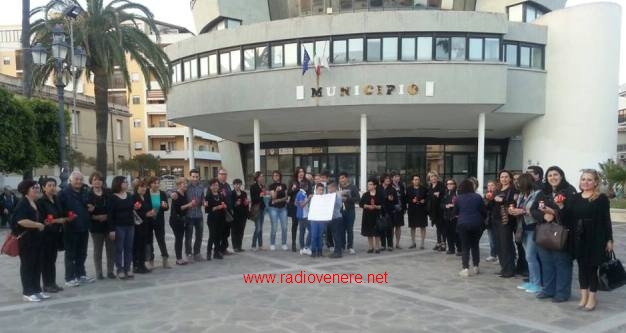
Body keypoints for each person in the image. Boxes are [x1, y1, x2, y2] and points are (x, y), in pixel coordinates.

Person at [568, 169, 613, 311]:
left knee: (592, 268)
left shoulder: (601, 199)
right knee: (581, 267)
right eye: (583, 179)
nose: (585, 182)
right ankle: (584, 296)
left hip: (596, 237)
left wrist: (609, 240)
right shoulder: (575, 197)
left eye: (589, 179)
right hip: (579, 236)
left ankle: (592, 298)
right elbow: (569, 217)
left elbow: (606, 220)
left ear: (595, 182)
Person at [532, 166, 577, 303]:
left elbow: (572, 213)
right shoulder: (542, 192)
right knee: (547, 263)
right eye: (550, 175)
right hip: (544, 234)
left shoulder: (570, 191)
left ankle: (562, 293)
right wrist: (543, 215)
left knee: (562, 263)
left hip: (562, 235)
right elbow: (533, 209)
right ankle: (548, 290)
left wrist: (554, 213)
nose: (553, 177)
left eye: (555, 174)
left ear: (561, 176)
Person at [58, 171, 95, 287]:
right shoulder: (63, 193)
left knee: (82, 253)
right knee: (70, 254)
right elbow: (60, 210)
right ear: (71, 180)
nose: (79, 181)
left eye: (80, 179)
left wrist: (91, 207)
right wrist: (66, 217)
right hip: (71, 228)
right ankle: (69, 277)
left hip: (84, 226)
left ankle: (81, 274)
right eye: (76, 179)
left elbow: (89, 204)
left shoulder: (85, 192)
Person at [14, 180, 48, 302]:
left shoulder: (35, 203)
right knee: (28, 266)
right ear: (26, 190)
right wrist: (37, 224)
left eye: (37, 187)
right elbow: (20, 220)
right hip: (26, 240)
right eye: (34, 188)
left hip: (37, 239)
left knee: (37, 265)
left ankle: (37, 290)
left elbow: (40, 219)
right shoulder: (22, 203)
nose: (37, 189)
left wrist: (43, 223)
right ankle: (28, 292)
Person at [509, 174, 543, 294]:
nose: (517, 184)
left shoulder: (537, 194)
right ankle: (532, 280)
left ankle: (537, 283)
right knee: (528, 257)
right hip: (522, 228)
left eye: (519, 182)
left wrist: (522, 211)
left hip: (533, 228)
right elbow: (519, 208)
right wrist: (513, 211)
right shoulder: (522, 195)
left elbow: (537, 210)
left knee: (530, 256)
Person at [37, 178, 67, 292]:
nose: (52, 187)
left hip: (56, 234)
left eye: (54, 185)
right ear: (44, 188)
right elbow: (42, 220)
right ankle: (46, 284)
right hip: (46, 235)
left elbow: (62, 213)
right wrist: (57, 221)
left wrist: (66, 217)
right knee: (46, 260)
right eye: (49, 185)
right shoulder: (41, 202)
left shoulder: (56, 199)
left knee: (52, 260)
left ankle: (52, 283)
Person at [454, 179, 487, 277]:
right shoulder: (478, 197)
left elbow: (455, 212)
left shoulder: (458, 198)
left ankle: (465, 268)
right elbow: (483, 211)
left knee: (465, 246)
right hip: (477, 224)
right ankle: (476, 266)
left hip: (463, 224)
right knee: (475, 245)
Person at [490, 170, 519, 278]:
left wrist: (501, 200)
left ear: (510, 178)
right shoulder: (497, 189)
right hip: (496, 219)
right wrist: (490, 199)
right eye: (502, 177)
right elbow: (492, 202)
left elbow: (513, 203)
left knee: (506, 244)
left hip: (506, 220)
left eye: (506, 177)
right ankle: (504, 268)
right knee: (499, 245)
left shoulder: (513, 190)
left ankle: (509, 269)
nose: (504, 179)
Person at [87, 172, 115, 280]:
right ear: (91, 182)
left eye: (99, 179)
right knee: (97, 250)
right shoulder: (88, 195)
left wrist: (107, 216)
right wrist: (95, 217)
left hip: (109, 226)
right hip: (96, 227)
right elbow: (86, 212)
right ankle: (99, 272)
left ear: (102, 182)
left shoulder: (108, 193)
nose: (97, 181)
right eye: (95, 179)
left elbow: (113, 209)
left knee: (111, 249)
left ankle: (110, 271)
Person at [108, 176, 135, 280]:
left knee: (129, 248)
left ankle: (128, 268)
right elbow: (110, 215)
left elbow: (131, 210)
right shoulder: (112, 197)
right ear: (118, 183)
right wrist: (112, 230)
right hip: (119, 226)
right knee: (119, 249)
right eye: (124, 182)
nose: (127, 183)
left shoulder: (129, 195)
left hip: (130, 225)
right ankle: (120, 269)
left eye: (127, 182)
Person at [146, 177, 170, 269]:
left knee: (161, 239)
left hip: (159, 219)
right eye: (154, 183)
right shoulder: (146, 193)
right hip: (148, 220)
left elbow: (166, 207)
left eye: (157, 183)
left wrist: (164, 206)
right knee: (149, 240)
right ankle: (150, 260)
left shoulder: (162, 194)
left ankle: (165, 259)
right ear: (150, 184)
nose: (156, 185)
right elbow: (144, 206)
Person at [288, 167, 310, 252]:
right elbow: (288, 193)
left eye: (302, 171)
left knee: (303, 225)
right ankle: (293, 243)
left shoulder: (307, 181)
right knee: (295, 224)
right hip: (295, 206)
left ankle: (303, 245)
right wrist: (292, 189)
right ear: (297, 173)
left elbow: (309, 191)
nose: (301, 173)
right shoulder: (292, 181)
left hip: (304, 206)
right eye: (299, 172)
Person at [133, 180, 153, 274]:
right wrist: (146, 214)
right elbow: (134, 212)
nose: (144, 189)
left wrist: (151, 212)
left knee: (143, 245)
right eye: (141, 187)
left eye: (145, 187)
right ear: (137, 188)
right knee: (137, 246)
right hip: (138, 225)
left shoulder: (145, 197)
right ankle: (136, 265)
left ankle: (142, 264)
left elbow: (149, 208)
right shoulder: (134, 198)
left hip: (146, 224)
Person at [170, 177, 192, 265]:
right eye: (184, 183)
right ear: (179, 185)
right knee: (179, 239)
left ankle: (180, 257)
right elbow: (179, 208)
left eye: (186, 183)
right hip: (176, 220)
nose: (186, 185)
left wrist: (191, 205)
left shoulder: (185, 193)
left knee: (180, 238)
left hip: (182, 219)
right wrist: (189, 205)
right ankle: (178, 259)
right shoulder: (176, 194)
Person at [360, 178, 384, 254]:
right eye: (368, 184)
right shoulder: (365, 194)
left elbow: (383, 205)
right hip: (367, 215)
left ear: (375, 185)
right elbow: (361, 204)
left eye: (370, 184)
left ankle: (377, 247)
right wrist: (367, 206)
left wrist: (376, 207)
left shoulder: (380, 194)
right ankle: (370, 247)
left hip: (376, 215)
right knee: (369, 232)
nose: (368, 186)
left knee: (377, 232)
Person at [185, 169, 205, 261]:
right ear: (190, 177)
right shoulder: (186, 187)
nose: (195, 178)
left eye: (196, 177)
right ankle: (189, 254)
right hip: (189, 215)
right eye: (193, 176)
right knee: (189, 236)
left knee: (199, 235)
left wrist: (204, 202)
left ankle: (197, 253)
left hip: (199, 215)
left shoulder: (201, 187)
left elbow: (202, 198)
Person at [205, 178, 227, 260]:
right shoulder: (208, 196)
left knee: (219, 236)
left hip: (221, 218)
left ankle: (216, 253)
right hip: (212, 219)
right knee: (212, 236)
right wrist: (218, 207)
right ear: (210, 186)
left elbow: (225, 204)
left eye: (217, 185)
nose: (215, 187)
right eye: (213, 185)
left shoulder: (220, 194)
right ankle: (208, 252)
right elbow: (207, 210)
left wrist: (224, 205)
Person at [338, 172, 359, 254]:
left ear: (347, 178)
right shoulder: (339, 187)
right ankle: (342, 245)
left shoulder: (353, 187)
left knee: (349, 229)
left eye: (343, 178)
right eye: (340, 178)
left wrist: (346, 199)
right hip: (340, 211)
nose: (341, 180)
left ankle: (350, 246)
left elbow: (357, 199)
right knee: (341, 229)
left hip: (350, 210)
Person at [406, 175, 428, 250]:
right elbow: (406, 199)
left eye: (417, 179)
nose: (416, 181)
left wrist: (424, 200)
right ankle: (413, 242)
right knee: (412, 226)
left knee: (423, 226)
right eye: (415, 179)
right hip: (412, 210)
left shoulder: (424, 189)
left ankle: (422, 243)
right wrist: (411, 200)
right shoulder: (408, 189)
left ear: (419, 180)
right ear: (412, 181)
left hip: (422, 210)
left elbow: (427, 198)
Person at [268, 170, 289, 251]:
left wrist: (278, 200)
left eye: (277, 175)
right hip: (273, 209)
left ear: (280, 176)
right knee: (274, 227)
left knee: (284, 227)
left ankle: (284, 243)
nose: (275, 177)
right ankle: (272, 243)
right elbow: (273, 197)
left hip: (283, 208)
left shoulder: (284, 185)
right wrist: (276, 191)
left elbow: (286, 197)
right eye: (274, 175)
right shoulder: (271, 186)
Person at [427, 171, 446, 251]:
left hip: (441, 210)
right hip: (433, 210)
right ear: (429, 178)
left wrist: (439, 194)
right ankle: (438, 243)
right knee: (438, 227)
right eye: (431, 176)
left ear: (437, 177)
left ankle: (443, 244)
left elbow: (444, 195)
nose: (433, 178)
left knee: (442, 227)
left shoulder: (441, 185)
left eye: (434, 176)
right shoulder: (430, 186)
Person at [442, 179, 460, 255]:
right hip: (447, 216)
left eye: (451, 184)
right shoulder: (446, 193)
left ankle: (459, 249)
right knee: (448, 233)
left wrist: (454, 206)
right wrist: (446, 206)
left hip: (455, 217)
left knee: (457, 233)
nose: (449, 185)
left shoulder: (457, 193)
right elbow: (441, 204)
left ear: (454, 185)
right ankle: (451, 248)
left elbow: (460, 204)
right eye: (448, 184)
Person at [309, 183, 328, 258]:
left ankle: (320, 251)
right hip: (314, 219)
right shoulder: (313, 197)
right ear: (316, 190)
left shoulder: (325, 198)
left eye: (322, 190)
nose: (321, 191)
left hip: (321, 219)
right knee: (314, 236)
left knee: (320, 236)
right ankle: (313, 251)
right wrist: (310, 198)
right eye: (319, 190)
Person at [217, 168, 233, 255]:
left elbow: (230, 197)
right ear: (218, 174)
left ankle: (224, 248)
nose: (224, 176)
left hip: (228, 211)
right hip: (220, 211)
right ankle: (218, 249)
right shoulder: (216, 185)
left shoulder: (227, 185)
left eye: (225, 174)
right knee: (220, 231)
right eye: (222, 174)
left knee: (226, 231)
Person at [380, 174, 398, 251]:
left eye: (389, 179)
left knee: (389, 228)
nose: (388, 180)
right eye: (386, 178)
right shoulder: (378, 188)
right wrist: (386, 197)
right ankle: (383, 245)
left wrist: (392, 199)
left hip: (390, 211)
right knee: (381, 228)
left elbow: (396, 201)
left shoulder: (392, 189)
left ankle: (390, 245)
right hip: (381, 211)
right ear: (383, 179)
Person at [250, 171, 266, 251]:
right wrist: (260, 195)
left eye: (262, 176)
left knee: (261, 228)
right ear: (257, 178)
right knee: (258, 228)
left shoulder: (262, 186)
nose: (262, 178)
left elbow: (263, 197)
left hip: (262, 208)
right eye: (261, 176)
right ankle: (253, 245)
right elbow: (253, 199)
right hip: (256, 209)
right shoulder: (253, 186)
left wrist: (264, 194)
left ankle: (260, 245)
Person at [231, 178, 248, 252]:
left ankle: (239, 246)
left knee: (241, 231)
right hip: (234, 215)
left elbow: (246, 204)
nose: (237, 186)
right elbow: (230, 205)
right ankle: (235, 247)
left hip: (243, 215)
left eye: (239, 184)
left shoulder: (244, 193)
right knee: (234, 231)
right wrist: (235, 204)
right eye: (236, 184)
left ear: (241, 185)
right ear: (233, 185)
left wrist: (246, 203)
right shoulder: (231, 193)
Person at [328, 181, 344, 258]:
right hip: (333, 217)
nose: (328, 190)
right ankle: (336, 250)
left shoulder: (336, 196)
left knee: (336, 235)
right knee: (335, 235)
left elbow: (338, 205)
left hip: (336, 217)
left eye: (329, 188)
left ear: (334, 188)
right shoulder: (333, 195)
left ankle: (338, 252)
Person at [483, 180, 498, 262]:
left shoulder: (498, 194)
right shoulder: (486, 196)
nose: (490, 187)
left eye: (492, 185)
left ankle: (499, 255)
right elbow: (485, 206)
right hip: (489, 220)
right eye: (488, 185)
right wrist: (488, 199)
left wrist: (492, 199)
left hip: (496, 219)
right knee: (491, 239)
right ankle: (493, 254)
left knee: (498, 238)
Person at [295, 182, 311, 255]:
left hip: (300, 215)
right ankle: (306, 247)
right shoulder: (302, 194)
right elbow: (302, 205)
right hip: (304, 215)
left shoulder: (299, 193)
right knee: (311, 230)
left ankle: (302, 248)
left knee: (302, 232)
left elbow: (295, 203)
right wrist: (308, 199)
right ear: (306, 186)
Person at [391, 172, 406, 249]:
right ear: (392, 178)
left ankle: (397, 243)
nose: (397, 178)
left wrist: (404, 208)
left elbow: (404, 197)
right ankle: (391, 243)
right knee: (391, 227)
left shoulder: (401, 186)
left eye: (398, 176)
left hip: (400, 209)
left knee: (398, 226)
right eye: (396, 176)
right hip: (392, 209)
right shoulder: (390, 185)